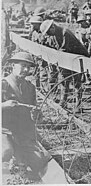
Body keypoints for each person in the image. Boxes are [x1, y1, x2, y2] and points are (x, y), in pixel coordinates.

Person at [2, 52, 51, 182]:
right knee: (5, 152)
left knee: (40, 163)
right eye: (23, 66)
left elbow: (36, 114)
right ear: (13, 65)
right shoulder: (4, 84)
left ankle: (18, 158)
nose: (26, 70)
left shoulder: (30, 88)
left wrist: (36, 115)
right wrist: (4, 105)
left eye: (28, 67)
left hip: (22, 134)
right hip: (4, 131)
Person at [40, 20, 89, 112]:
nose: (48, 35)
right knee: (63, 80)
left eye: (48, 32)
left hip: (77, 58)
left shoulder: (64, 32)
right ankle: (63, 101)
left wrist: (55, 58)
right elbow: (56, 48)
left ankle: (78, 105)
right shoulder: (54, 35)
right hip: (67, 59)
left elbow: (64, 49)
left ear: (52, 27)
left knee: (76, 82)